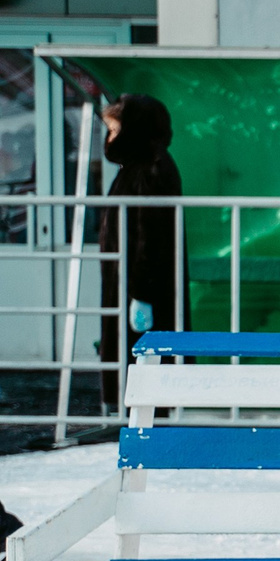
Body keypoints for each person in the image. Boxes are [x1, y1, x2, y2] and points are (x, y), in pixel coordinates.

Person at [99, 93, 181, 408]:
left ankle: (143, 421)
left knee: (144, 366)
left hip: (139, 287)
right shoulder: (142, 165)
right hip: (132, 285)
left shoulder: (151, 168)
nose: (110, 138)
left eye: (115, 130)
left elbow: (152, 235)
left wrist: (141, 292)